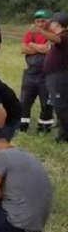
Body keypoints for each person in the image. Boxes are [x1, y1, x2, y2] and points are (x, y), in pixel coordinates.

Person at [19, 9, 55, 133]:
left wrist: (32, 45)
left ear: (49, 21)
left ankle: (44, 126)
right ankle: (22, 125)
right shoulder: (30, 33)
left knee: (46, 103)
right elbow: (23, 49)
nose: (40, 24)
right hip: (30, 73)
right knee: (25, 101)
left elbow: (47, 49)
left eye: (43, 21)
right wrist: (38, 48)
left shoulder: (52, 33)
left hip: (47, 74)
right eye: (38, 21)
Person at [35, 11, 68, 142]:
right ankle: (63, 133)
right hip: (52, 75)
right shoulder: (59, 35)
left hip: (58, 76)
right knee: (58, 105)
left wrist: (39, 30)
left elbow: (56, 39)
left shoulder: (64, 36)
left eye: (53, 22)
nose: (51, 24)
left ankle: (65, 135)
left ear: (57, 24)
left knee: (60, 106)